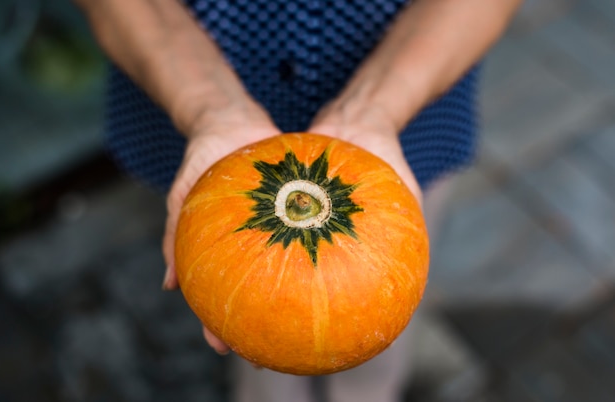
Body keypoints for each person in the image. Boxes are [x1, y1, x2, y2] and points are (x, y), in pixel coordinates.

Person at [74, 0, 522, 401]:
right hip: (194, 99)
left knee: (375, 341)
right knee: (263, 350)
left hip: (403, 109)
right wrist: (208, 107)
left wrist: (376, 110)